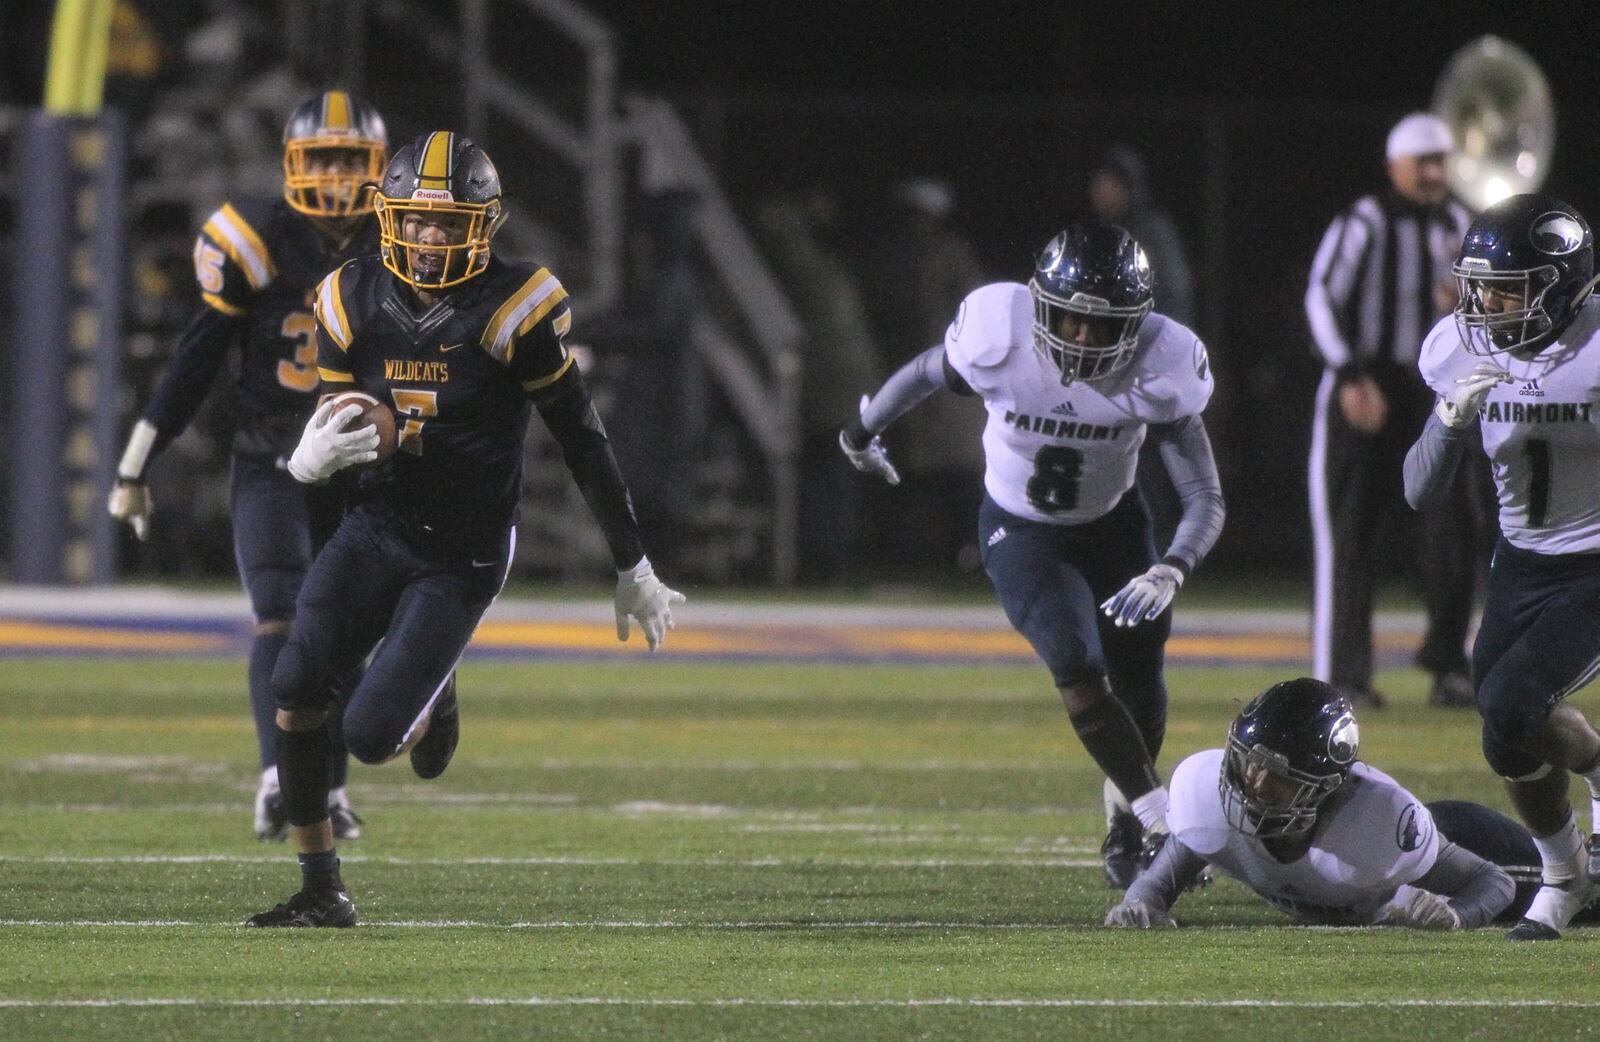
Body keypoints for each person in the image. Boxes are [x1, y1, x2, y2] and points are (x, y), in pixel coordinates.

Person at [243, 131, 684, 928]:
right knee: (296, 686)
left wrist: (634, 563)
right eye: (417, 220)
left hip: (463, 548)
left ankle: (435, 683)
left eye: (451, 223)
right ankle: (321, 889)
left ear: (486, 224)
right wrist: (307, 465)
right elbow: (342, 431)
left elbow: (582, 437)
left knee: (373, 736)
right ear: (390, 218)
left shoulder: (515, 307)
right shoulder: (347, 297)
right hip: (376, 523)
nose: (431, 237)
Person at [840, 220, 1225, 888]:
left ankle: (1126, 823)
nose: (1079, 338)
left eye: (1099, 326)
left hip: (1114, 526)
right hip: (1021, 529)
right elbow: (931, 370)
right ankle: (1160, 821)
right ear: (1040, 305)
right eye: (1068, 320)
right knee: (1075, 661)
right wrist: (862, 430)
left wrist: (1173, 565)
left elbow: (1204, 496)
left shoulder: (1163, 365)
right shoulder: (1000, 334)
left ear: (1136, 326)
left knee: (1140, 680)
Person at [108, 91, 389, 841]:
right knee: (282, 611)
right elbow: (196, 358)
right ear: (294, 164)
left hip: (359, 461)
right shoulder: (257, 236)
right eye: (321, 159)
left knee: (348, 627)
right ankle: (277, 781)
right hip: (273, 459)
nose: (334, 177)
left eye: (348, 160)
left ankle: (326, 792)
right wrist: (135, 464)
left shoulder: (399, 243)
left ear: (377, 166)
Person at [1404, 193, 1600, 941]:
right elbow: (1418, 490)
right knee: (1502, 734)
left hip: (1593, 562)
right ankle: (1575, 857)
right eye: (1480, 286)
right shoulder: (1461, 345)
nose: (1487, 304)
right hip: (1521, 560)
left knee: (1516, 700)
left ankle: (1559, 884)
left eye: (1509, 288)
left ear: (1563, 284)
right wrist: (1451, 423)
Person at [1305, 112, 1480, 709]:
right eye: (1422, 162)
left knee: (1456, 528)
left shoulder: (1461, 222)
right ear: (1394, 167)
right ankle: (1344, 675)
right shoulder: (1365, 222)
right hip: (1365, 389)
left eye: (1441, 161)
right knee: (1349, 533)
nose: (1433, 173)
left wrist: (1467, 306)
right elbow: (1321, 298)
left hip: (1433, 393)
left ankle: (1449, 663)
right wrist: (1349, 373)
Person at [1105, 678, 1520, 930]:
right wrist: (1139, 906)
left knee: (1580, 897)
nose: (1256, 782)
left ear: (1325, 788)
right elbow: (1158, 884)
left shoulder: (1383, 829)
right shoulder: (1210, 801)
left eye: (1280, 775)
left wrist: (1459, 915)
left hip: (1464, 833)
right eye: (1251, 762)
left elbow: (1495, 881)